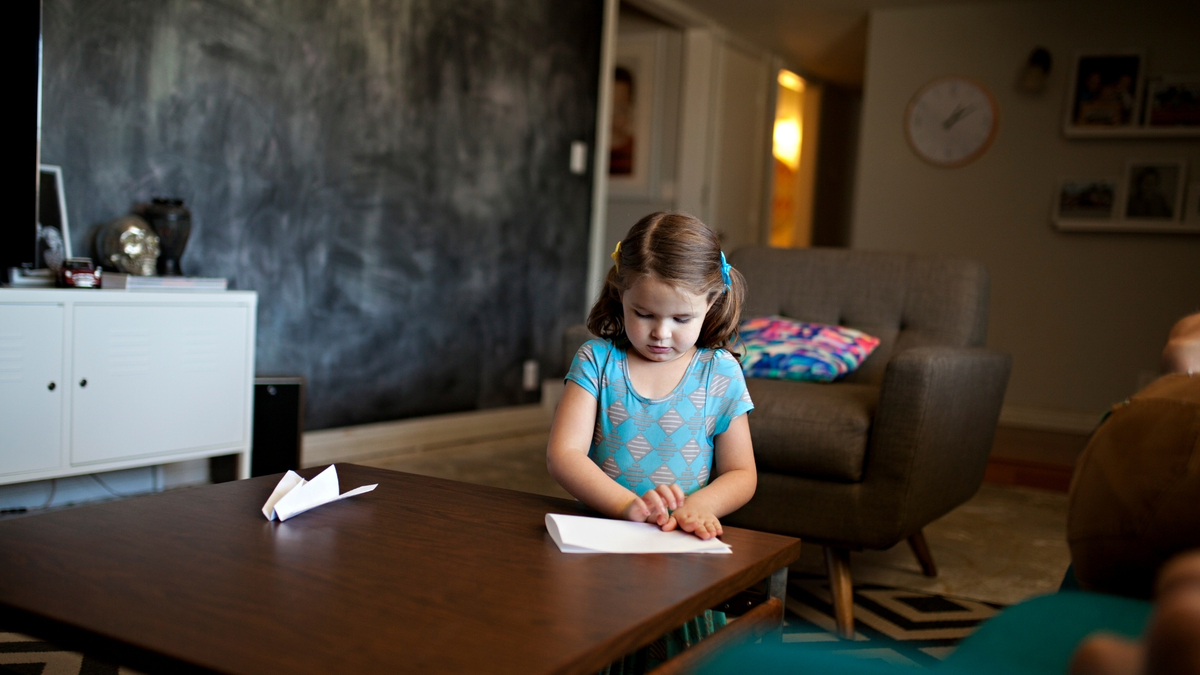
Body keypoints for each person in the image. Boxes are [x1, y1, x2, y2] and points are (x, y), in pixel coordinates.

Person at [547, 211, 756, 542]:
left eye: (681, 318)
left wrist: (700, 506)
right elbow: (564, 455)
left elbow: (741, 473)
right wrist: (628, 506)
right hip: (598, 534)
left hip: (679, 540)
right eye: (644, 314)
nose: (661, 333)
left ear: (711, 301)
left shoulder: (719, 373)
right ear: (620, 295)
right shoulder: (596, 362)